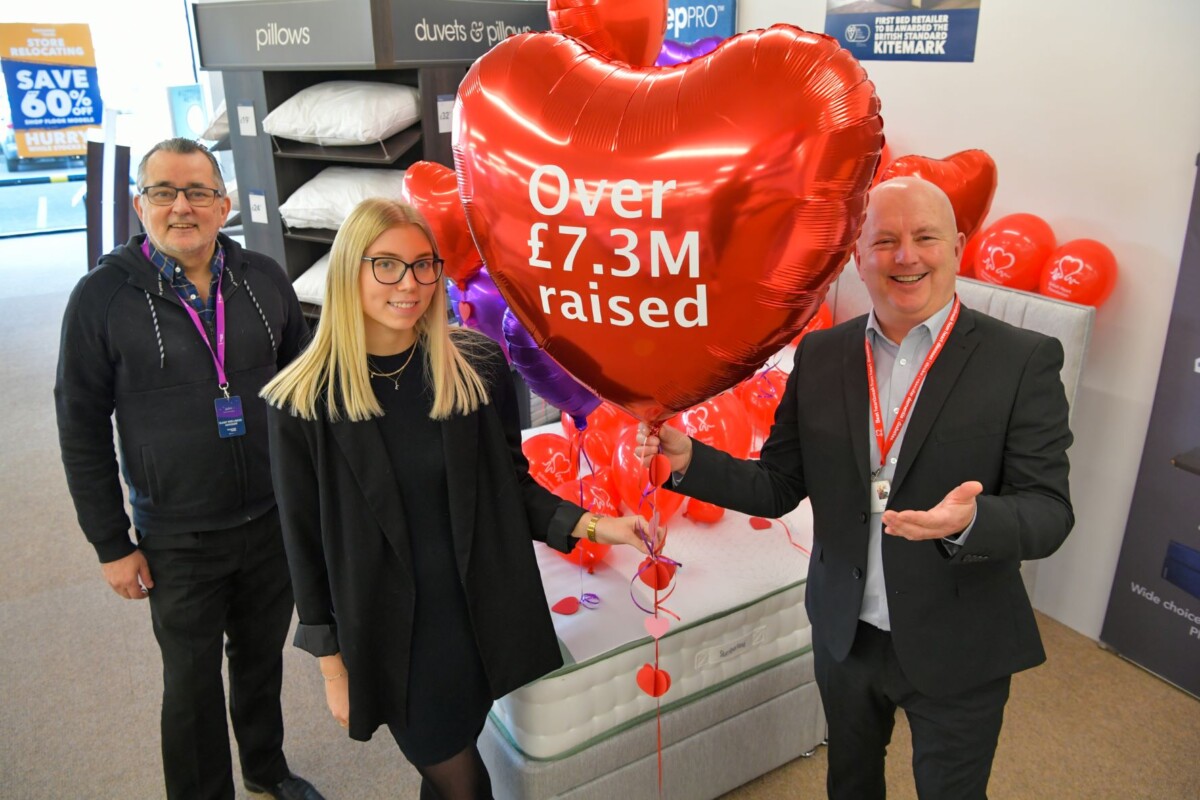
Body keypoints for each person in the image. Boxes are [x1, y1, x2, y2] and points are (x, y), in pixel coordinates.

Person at [638, 177, 1075, 799]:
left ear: (957, 247)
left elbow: (1049, 512)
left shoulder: (1022, 360)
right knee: (849, 784)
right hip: (846, 634)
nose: (907, 256)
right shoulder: (821, 355)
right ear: (856, 256)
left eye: (926, 238)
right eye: (885, 240)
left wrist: (971, 522)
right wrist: (690, 460)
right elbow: (779, 485)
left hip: (959, 639)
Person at [261, 198, 659, 800]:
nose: (411, 283)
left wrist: (600, 527)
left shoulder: (474, 366)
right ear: (349, 271)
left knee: (454, 761)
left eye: (424, 264)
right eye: (387, 265)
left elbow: (509, 487)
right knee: (464, 782)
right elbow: (303, 543)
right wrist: (332, 667)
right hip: (394, 634)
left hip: (476, 614)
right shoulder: (302, 401)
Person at [54, 138, 323, 800]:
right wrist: (111, 543)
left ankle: (265, 769)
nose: (182, 207)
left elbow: (303, 391)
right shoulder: (101, 297)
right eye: (164, 192)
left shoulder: (264, 278)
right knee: (191, 681)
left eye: (199, 192)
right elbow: (80, 427)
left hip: (270, 519)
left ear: (224, 205)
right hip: (177, 534)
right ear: (139, 204)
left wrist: (312, 498)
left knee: (259, 660)